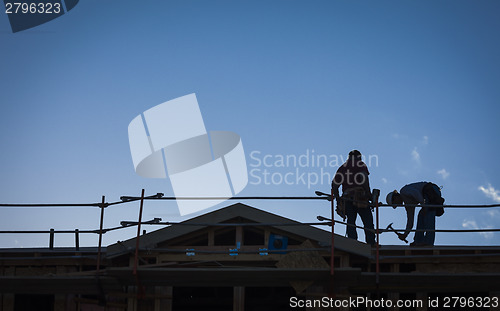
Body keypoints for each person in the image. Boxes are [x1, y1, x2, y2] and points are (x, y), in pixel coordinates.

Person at [331, 150, 375, 246]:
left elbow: (334, 185)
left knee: (351, 221)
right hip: (361, 197)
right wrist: (369, 194)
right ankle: (371, 243)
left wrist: (338, 200)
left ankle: (352, 243)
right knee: (368, 222)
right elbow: (364, 179)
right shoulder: (361, 165)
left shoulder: (343, 167)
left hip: (347, 197)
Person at [386, 182, 445, 246]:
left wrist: (424, 206)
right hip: (428, 194)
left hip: (430, 190)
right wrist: (405, 234)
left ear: (395, 197)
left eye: (395, 203)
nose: (397, 205)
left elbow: (417, 193)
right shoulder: (408, 205)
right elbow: (410, 220)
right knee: (421, 215)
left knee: (428, 213)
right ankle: (418, 241)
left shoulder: (403, 191)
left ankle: (428, 242)